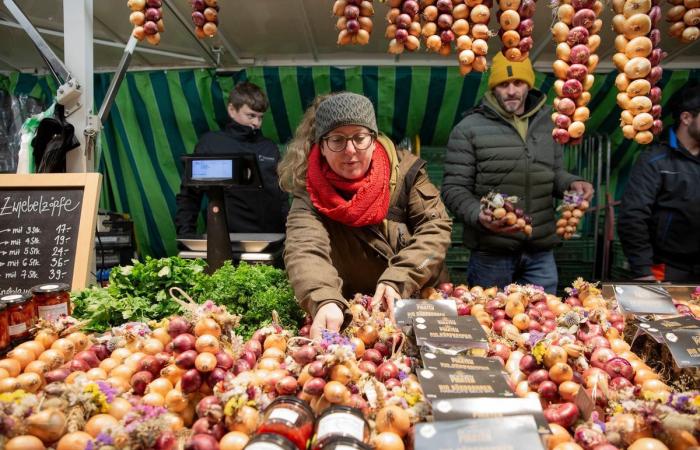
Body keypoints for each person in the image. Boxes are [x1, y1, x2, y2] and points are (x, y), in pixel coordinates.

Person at [279, 92, 452, 338]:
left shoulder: (407, 173)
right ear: (321, 146)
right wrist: (324, 298)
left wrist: (399, 278)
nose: (350, 150)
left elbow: (435, 227)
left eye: (359, 138)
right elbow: (304, 248)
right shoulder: (310, 192)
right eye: (337, 140)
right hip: (353, 311)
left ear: (373, 139)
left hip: (418, 297)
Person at [441, 53, 594, 294]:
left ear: (529, 84)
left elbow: (552, 175)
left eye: (518, 83)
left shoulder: (550, 122)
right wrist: (477, 214)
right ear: (494, 88)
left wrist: (573, 183)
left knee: (544, 321)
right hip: (491, 253)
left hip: (540, 252)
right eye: (503, 84)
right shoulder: (468, 129)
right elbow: (453, 189)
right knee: (489, 322)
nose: (511, 91)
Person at [175, 82, 289, 236]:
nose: (256, 123)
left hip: (269, 239)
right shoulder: (211, 144)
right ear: (232, 110)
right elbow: (189, 195)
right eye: (251, 115)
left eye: (260, 117)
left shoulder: (269, 148)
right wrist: (185, 234)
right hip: (224, 238)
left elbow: (281, 198)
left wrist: (288, 236)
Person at [618, 84, 700, 282]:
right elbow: (633, 216)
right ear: (686, 118)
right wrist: (642, 270)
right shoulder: (655, 160)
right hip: (666, 269)